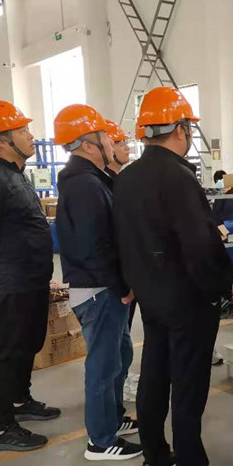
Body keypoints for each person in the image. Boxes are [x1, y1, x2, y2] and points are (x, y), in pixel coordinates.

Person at [113, 86, 233, 466]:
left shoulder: (126, 178)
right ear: (181, 129)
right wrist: (219, 287)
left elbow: (120, 241)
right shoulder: (179, 177)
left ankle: (154, 459)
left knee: (154, 375)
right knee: (188, 384)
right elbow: (200, 246)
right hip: (188, 300)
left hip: (151, 297)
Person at [0, 100, 60, 452]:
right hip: (13, 279)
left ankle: (20, 400)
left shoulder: (15, 173)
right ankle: (2, 428)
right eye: (22, 130)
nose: (31, 135)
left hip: (31, 277)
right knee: (8, 351)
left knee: (29, 343)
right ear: (1, 139)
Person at [54, 104, 141, 462]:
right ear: (88, 144)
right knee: (103, 366)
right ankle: (101, 441)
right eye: (105, 136)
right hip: (98, 290)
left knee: (120, 355)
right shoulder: (85, 185)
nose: (111, 141)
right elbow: (96, 247)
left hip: (102, 287)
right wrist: (122, 285)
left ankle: (113, 419)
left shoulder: (92, 179)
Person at [103, 119, 138, 330]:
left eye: (125, 142)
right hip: (115, 279)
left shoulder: (123, 180)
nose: (126, 147)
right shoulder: (102, 184)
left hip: (131, 271)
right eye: (119, 142)